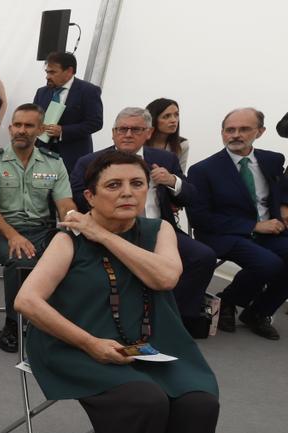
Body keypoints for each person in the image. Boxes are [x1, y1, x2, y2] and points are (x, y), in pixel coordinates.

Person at [16, 150, 219, 433]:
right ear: (90, 197)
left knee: (199, 403)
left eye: (136, 184)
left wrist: (103, 235)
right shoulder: (67, 238)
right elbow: (28, 302)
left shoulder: (157, 230)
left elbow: (165, 278)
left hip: (152, 341)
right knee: (145, 401)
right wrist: (90, 344)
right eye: (114, 185)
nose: (127, 193)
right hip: (75, 343)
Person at [71, 107, 215, 338]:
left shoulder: (164, 159)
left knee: (203, 257)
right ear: (113, 133)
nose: (128, 134)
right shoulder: (90, 161)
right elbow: (79, 197)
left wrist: (171, 181)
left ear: (148, 133)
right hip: (113, 230)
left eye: (136, 129)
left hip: (159, 229)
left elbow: (190, 196)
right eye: (122, 129)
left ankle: (172, 318)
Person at [0, 103, 77, 353]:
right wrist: (13, 235)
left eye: (29, 126)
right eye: (17, 125)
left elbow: (65, 204)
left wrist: (74, 221)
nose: (22, 130)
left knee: (79, 254)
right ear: (10, 128)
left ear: (40, 129)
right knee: (21, 257)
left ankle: (63, 321)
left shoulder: (54, 163)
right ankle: (14, 323)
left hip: (43, 231)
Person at [189, 107, 288, 340]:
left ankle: (257, 312)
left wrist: (283, 207)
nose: (236, 135)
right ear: (222, 133)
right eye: (229, 130)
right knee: (269, 264)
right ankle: (226, 301)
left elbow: (282, 189)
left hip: (270, 230)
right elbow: (200, 218)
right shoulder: (203, 170)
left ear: (260, 132)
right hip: (223, 233)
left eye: (244, 129)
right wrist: (253, 226)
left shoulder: (273, 160)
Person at [34, 51, 104, 175]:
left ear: (69, 71)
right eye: (47, 72)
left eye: (53, 72)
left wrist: (63, 131)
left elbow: (95, 123)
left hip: (73, 156)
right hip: (43, 154)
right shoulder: (42, 92)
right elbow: (33, 117)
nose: (47, 77)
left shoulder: (88, 91)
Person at [145, 98, 190, 171]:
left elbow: (180, 177)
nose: (174, 120)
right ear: (153, 119)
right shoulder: (139, 142)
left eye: (176, 115)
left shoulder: (182, 145)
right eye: (166, 116)